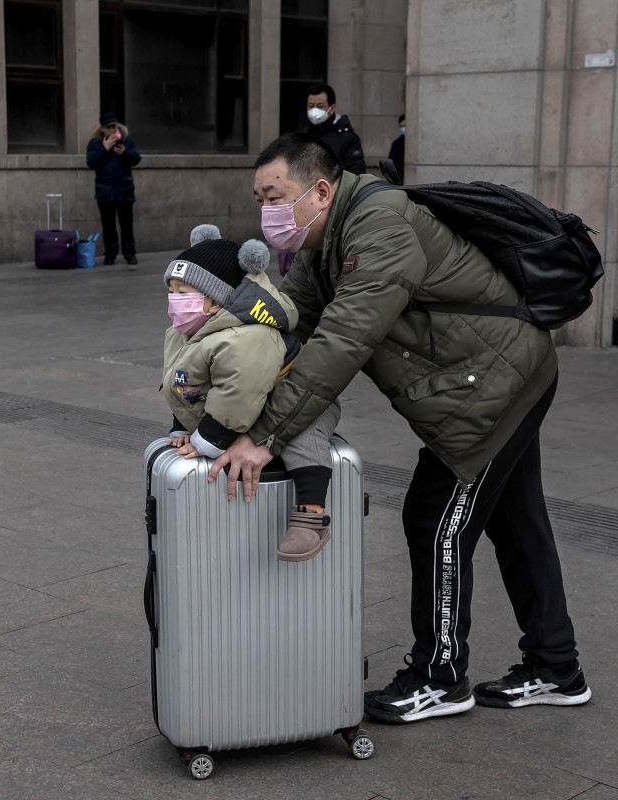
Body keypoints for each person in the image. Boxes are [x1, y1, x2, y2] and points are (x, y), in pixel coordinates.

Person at [207, 131, 592, 721]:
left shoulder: (381, 228)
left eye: (275, 197)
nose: (267, 213)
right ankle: (556, 666)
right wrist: (218, 407)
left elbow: (343, 340)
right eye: (259, 200)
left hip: (495, 385)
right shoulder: (322, 243)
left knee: (436, 522)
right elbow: (294, 328)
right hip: (496, 375)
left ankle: (440, 677)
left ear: (320, 191)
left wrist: (265, 436)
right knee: (517, 523)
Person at [162, 223, 340, 562]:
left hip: (297, 402)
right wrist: (183, 426)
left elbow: (238, 395)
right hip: (246, 408)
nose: (174, 301)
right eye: (171, 290)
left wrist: (209, 438)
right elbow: (185, 383)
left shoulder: (247, 337)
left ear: (215, 300)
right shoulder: (184, 333)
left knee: (304, 437)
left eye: (183, 292)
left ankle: (311, 513)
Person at [277, 83, 367, 279]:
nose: (314, 111)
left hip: (333, 211)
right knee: (301, 267)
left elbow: (355, 175)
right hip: (304, 210)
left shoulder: (347, 138)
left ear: (331, 108)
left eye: (320, 105)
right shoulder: (305, 136)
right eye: (311, 106)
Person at [86, 112, 141, 267]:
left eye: (113, 127)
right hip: (105, 191)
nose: (112, 130)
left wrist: (124, 152)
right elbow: (91, 162)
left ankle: (130, 254)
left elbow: (136, 159)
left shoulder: (126, 140)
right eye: (108, 127)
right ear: (102, 129)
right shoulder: (95, 143)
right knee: (108, 225)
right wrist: (105, 149)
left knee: (126, 225)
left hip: (124, 189)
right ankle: (110, 254)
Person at [387, 114, 406, 183]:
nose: (403, 129)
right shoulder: (396, 144)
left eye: (405, 126)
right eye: (401, 126)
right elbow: (390, 163)